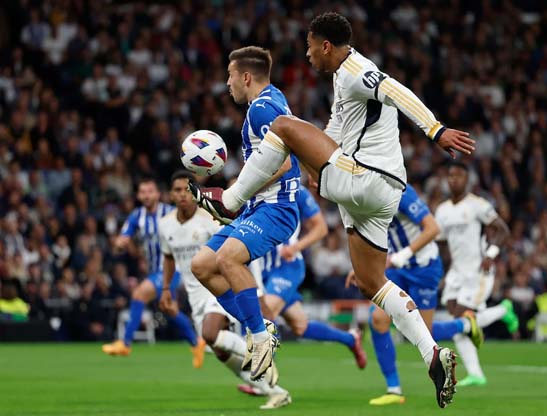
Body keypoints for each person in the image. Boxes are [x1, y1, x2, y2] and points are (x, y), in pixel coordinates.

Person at [189, 12, 475, 408]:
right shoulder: (342, 81)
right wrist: (312, 167)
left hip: (365, 176)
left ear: (326, 46)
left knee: (284, 127)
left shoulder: (358, 69)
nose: (306, 56)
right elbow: (335, 132)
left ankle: (231, 201)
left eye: (309, 47)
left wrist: (435, 130)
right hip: (380, 194)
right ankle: (432, 355)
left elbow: (396, 90)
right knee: (371, 281)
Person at [190, 46, 299, 385]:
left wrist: (236, 192)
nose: (227, 83)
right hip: (257, 207)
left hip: (275, 208)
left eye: (230, 75)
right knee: (202, 265)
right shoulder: (273, 98)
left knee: (227, 259)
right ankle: (260, 325)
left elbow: (282, 162)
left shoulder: (261, 111)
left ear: (246, 77)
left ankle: (261, 337)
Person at [158, 171, 291, 409]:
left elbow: (237, 241)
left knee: (210, 334)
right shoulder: (165, 225)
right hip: (195, 292)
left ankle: (262, 346)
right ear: (171, 194)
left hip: (217, 288)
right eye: (177, 190)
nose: (182, 195)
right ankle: (274, 390)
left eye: (187, 189)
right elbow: (168, 257)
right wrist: (166, 288)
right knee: (217, 350)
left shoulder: (208, 218)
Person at [361, 183, 483, 405]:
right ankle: (394, 390)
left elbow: (432, 228)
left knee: (421, 332)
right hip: (396, 268)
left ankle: (465, 324)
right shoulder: (364, 190)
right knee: (378, 320)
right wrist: (362, 267)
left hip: (423, 266)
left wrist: (403, 255)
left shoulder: (399, 191)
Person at [259, 186, 367, 368]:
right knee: (300, 325)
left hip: (286, 266)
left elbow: (321, 228)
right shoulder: (252, 184)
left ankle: (265, 380)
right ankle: (350, 338)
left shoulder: (295, 190)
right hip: (262, 269)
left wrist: (296, 247)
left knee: (265, 313)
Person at [102, 177, 202, 367]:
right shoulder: (136, 216)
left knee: (139, 294)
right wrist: (120, 243)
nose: (146, 195)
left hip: (173, 269)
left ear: (157, 194)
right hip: (154, 271)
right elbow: (124, 237)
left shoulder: (171, 213)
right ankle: (197, 343)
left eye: (150, 191)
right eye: (143, 192)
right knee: (169, 309)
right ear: (139, 196)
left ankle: (125, 343)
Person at [435, 161, 518, 387]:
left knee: (462, 321)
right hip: (456, 272)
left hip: (478, 271)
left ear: (467, 180)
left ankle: (503, 310)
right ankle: (476, 375)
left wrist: (491, 253)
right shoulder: (442, 211)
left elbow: (503, 229)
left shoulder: (477, 205)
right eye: (450, 175)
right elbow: (441, 243)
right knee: (458, 323)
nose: (453, 179)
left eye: (458, 176)